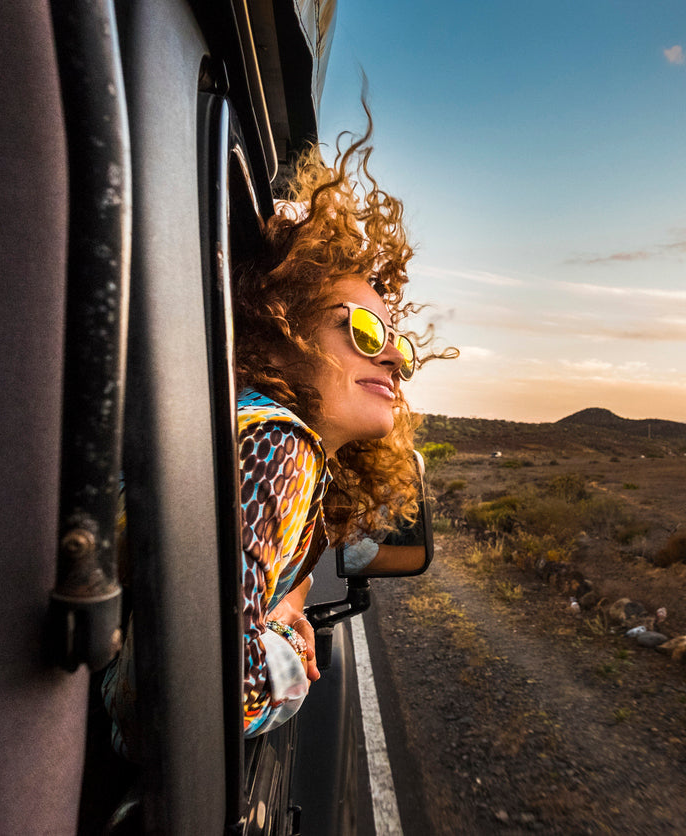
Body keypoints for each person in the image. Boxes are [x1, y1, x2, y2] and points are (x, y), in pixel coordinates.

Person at [102, 124, 435, 756]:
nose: (393, 357)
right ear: (283, 327)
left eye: (400, 343)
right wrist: (283, 654)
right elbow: (192, 683)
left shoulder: (246, 432)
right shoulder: (280, 446)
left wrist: (283, 600)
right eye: (365, 330)